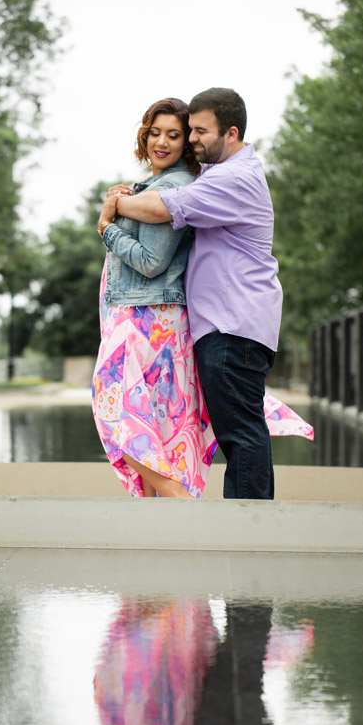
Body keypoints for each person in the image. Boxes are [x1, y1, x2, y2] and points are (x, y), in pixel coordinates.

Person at [107, 88, 311, 500]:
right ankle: (247, 524)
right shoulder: (221, 173)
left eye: (200, 131)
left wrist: (111, 209)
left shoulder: (234, 178)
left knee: (240, 432)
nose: (192, 139)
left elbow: (164, 208)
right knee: (239, 430)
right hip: (230, 324)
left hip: (233, 325)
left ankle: (249, 528)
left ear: (230, 133)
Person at [92, 97, 217, 499]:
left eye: (173, 135)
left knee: (117, 414)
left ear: (186, 144)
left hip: (147, 320)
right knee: (152, 427)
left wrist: (107, 228)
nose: (161, 142)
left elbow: (151, 262)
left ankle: (180, 506)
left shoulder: (174, 186)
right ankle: (167, 522)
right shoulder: (152, 186)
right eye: (154, 133)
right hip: (147, 319)